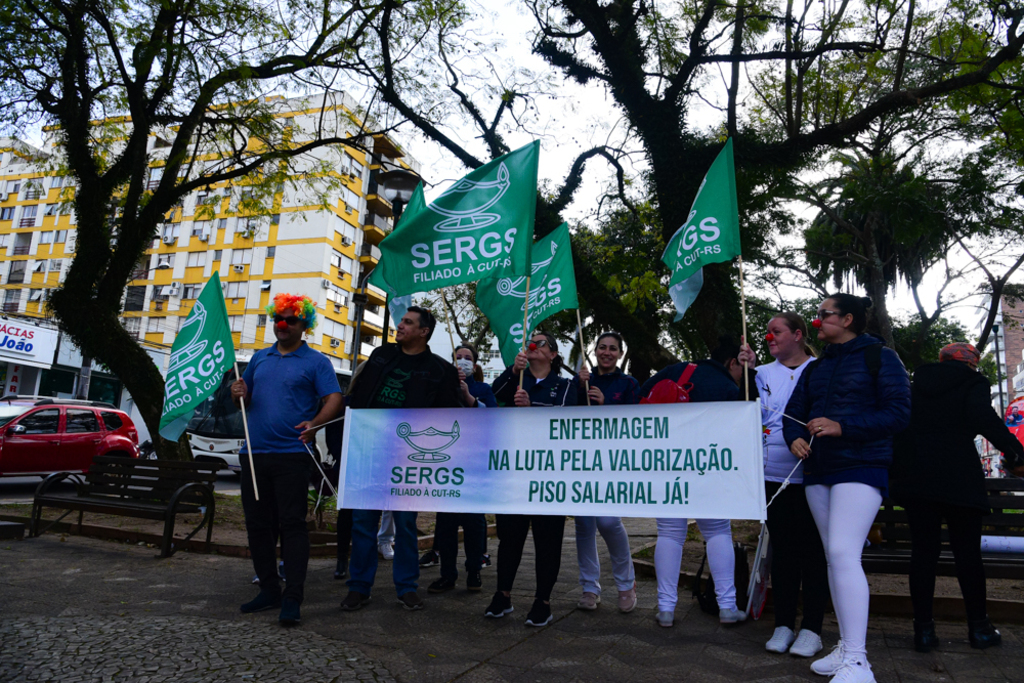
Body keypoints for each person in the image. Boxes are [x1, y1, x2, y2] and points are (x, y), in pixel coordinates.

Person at [784, 294, 911, 683]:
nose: (817, 321)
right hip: (818, 470)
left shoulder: (881, 358)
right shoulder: (815, 367)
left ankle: (857, 661)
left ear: (848, 319)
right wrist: (793, 438)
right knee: (834, 558)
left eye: (824, 314)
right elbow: (793, 413)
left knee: (842, 553)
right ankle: (845, 646)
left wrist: (843, 426)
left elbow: (899, 413)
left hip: (862, 466)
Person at [890, 342, 1024, 652]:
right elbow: (984, 418)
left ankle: (924, 632)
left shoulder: (916, 385)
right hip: (959, 477)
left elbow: (901, 427)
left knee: (923, 553)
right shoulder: (972, 381)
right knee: (968, 554)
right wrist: (1015, 451)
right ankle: (979, 629)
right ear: (970, 363)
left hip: (918, 479)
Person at [340, 306, 463, 613]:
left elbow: (450, 417)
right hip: (368, 451)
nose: (400, 325)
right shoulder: (381, 356)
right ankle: (359, 587)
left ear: (424, 331)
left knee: (405, 524)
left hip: (409, 459)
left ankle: (407, 587)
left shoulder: (440, 370)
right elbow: (358, 397)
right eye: (401, 321)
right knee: (363, 522)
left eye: (408, 322)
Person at [231, 293, 343, 626]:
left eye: (290, 320)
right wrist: (237, 393)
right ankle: (269, 590)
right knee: (257, 526)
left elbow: (334, 398)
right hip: (253, 455)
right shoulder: (259, 358)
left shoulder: (316, 362)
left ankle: (292, 597)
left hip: (293, 455)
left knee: (292, 525)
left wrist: (315, 423)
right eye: (278, 318)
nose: (282, 325)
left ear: (304, 324)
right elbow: (244, 399)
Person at [639, 337, 757, 628]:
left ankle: (665, 609)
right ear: (733, 362)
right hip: (710, 466)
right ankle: (727, 607)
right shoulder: (729, 388)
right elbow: (748, 421)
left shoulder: (677, 370)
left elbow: (640, 400)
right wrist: (750, 375)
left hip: (666, 462)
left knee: (669, 533)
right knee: (717, 531)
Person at [487, 330, 578, 626]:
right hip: (514, 473)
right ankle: (503, 594)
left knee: (547, 541)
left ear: (553, 354)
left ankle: (543, 601)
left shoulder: (565, 385)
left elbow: (565, 421)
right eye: (530, 342)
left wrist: (532, 410)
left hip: (549, 476)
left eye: (541, 343)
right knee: (509, 538)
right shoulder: (517, 380)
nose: (533, 346)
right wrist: (514, 371)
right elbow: (494, 394)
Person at [752, 313, 828, 657]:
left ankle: (812, 628)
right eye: (767, 332)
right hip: (773, 476)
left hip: (813, 474)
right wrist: (742, 374)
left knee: (813, 552)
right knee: (782, 551)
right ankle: (783, 624)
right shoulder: (760, 373)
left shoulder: (821, 369)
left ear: (798, 335)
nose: (769, 337)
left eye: (776, 331)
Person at [573, 332, 639, 613]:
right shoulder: (582, 382)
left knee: (609, 521)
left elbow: (636, 423)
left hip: (613, 463)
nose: (607, 352)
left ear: (620, 354)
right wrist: (579, 387)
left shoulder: (629, 384)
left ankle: (626, 584)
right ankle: (589, 587)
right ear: (595, 351)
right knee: (584, 524)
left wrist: (606, 406)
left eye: (613, 348)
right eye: (602, 347)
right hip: (581, 462)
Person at [428, 342, 495, 593]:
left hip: (473, 464)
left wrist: (469, 398)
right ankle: (447, 574)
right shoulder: (441, 385)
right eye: (459, 357)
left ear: (474, 365)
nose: (463, 361)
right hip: (447, 462)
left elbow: (493, 418)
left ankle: (474, 570)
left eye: (468, 357)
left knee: (474, 522)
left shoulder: (483, 389)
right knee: (446, 522)